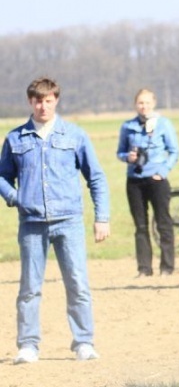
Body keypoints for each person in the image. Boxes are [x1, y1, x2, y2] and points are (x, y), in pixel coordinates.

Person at [0, 77, 110, 364]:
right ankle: (28, 345)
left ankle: (83, 342)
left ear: (56, 101)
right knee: (29, 287)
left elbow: (95, 177)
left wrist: (102, 217)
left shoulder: (74, 135)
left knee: (77, 283)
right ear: (30, 102)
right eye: (38, 100)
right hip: (31, 224)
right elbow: (2, 176)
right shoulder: (15, 138)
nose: (43, 106)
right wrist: (15, 197)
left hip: (69, 221)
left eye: (48, 100)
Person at [116, 89, 179, 277]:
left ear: (154, 103)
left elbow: (174, 151)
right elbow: (120, 152)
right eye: (140, 103)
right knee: (140, 226)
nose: (144, 107)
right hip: (135, 180)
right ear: (135, 105)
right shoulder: (128, 126)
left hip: (157, 180)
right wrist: (128, 157)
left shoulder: (164, 124)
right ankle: (144, 268)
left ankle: (167, 267)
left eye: (147, 103)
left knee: (163, 223)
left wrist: (163, 170)